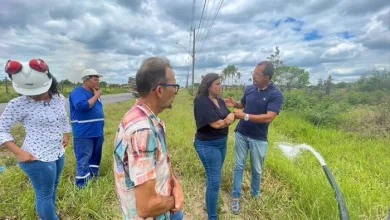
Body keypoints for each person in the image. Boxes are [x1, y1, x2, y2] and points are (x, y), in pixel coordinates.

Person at [114, 57, 185, 219]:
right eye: (174, 86)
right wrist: (174, 200)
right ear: (160, 90)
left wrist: (175, 184)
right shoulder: (143, 131)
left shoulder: (143, 116)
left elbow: (160, 164)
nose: (175, 91)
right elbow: (147, 206)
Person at [0, 59, 71, 220]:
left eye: (40, 91)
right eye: (30, 93)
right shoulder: (17, 104)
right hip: (36, 157)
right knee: (44, 194)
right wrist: (19, 153)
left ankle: (50, 215)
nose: (36, 96)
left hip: (58, 152)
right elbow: (1, 129)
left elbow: (63, 118)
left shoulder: (59, 98)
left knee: (53, 186)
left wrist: (66, 134)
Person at [225, 61, 284, 214]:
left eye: (257, 74)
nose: (253, 76)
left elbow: (268, 117)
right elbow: (242, 104)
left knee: (257, 170)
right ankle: (236, 198)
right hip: (242, 134)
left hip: (259, 138)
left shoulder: (276, 95)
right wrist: (235, 104)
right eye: (254, 73)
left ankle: (254, 196)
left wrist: (245, 116)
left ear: (267, 77)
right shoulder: (250, 89)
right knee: (239, 166)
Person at [193, 73, 235, 220]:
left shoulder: (219, 101)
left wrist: (232, 114)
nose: (220, 87)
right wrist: (232, 117)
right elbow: (218, 124)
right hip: (208, 145)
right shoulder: (202, 101)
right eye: (217, 84)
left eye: (220, 84)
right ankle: (212, 216)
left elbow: (228, 115)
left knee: (213, 178)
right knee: (215, 181)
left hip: (221, 144)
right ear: (208, 86)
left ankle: (209, 203)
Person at [69, 69, 105, 188]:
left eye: (98, 79)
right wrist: (97, 96)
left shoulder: (94, 93)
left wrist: (96, 95)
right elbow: (82, 106)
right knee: (84, 158)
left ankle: (93, 179)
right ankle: (82, 185)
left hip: (97, 131)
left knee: (96, 156)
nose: (98, 82)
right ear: (86, 80)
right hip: (84, 133)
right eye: (95, 79)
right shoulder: (78, 92)